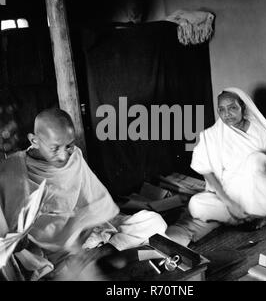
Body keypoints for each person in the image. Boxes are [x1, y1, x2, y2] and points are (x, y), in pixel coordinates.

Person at [0, 108, 167, 280]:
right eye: (55, 148)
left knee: (154, 221)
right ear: (34, 140)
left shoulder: (75, 156)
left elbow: (96, 204)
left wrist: (79, 238)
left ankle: (103, 253)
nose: (64, 155)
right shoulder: (12, 170)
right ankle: (96, 259)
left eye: (69, 146)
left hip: (83, 238)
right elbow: (8, 235)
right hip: (48, 254)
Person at [166, 87, 266, 246]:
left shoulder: (257, 130)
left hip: (260, 193)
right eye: (221, 109)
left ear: (243, 107)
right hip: (232, 195)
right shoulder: (213, 135)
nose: (226, 113)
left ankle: (257, 214)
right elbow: (206, 172)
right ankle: (246, 218)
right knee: (196, 204)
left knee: (256, 159)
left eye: (232, 108)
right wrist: (230, 203)